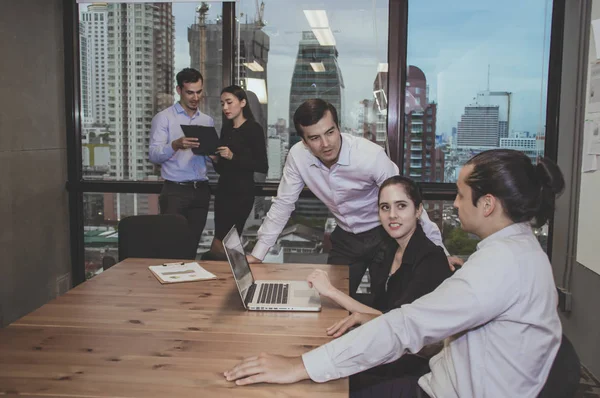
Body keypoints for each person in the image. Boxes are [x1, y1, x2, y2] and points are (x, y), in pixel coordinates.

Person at [224, 149, 565, 398]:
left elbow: (406, 326)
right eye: (384, 207)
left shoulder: (498, 267)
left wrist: (299, 365)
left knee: (314, 387)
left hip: (439, 387)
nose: (455, 204)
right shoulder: (517, 252)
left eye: (461, 195)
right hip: (442, 376)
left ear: (487, 204)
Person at [246, 98, 459, 297]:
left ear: (339, 128)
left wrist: (439, 252)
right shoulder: (297, 157)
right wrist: (258, 253)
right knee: (330, 301)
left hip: (383, 236)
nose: (325, 143)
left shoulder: (370, 156)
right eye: (314, 138)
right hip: (346, 237)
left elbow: (407, 204)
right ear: (304, 141)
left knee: (386, 302)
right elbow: (283, 203)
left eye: (330, 132)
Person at [307, 175, 453, 392]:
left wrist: (331, 292)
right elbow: (383, 312)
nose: (392, 215)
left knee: (328, 381)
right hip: (388, 346)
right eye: (385, 207)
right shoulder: (389, 248)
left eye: (401, 206)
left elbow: (398, 326)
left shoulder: (430, 260)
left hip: (414, 363)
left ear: (418, 210)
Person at [149, 68, 214, 248]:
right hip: (175, 193)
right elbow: (154, 155)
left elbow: (208, 158)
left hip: (201, 190)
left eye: (199, 92)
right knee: (171, 247)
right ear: (179, 91)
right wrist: (175, 145)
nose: (195, 97)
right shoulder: (164, 118)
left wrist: (215, 155)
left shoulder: (207, 121)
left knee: (192, 247)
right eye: (190, 92)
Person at [202, 85, 268, 260]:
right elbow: (223, 169)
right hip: (223, 191)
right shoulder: (226, 129)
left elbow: (262, 165)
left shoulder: (254, 129)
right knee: (224, 240)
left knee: (222, 241)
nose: (225, 107)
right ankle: (234, 274)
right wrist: (216, 160)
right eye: (222, 103)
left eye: (229, 102)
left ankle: (229, 271)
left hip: (241, 193)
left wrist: (233, 156)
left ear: (243, 102)